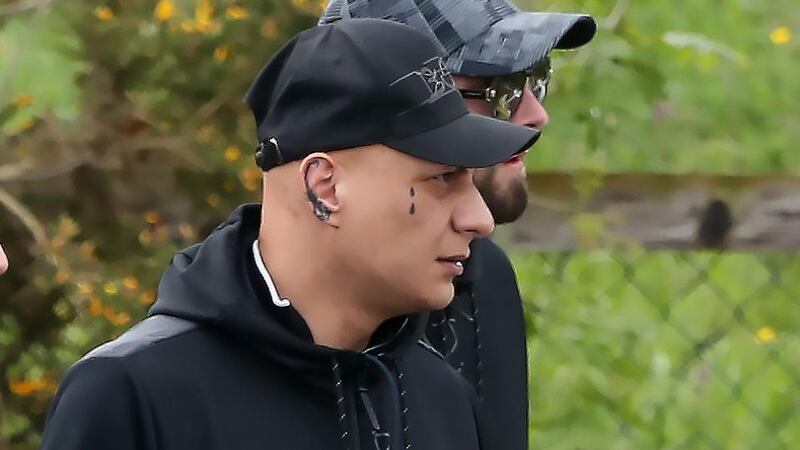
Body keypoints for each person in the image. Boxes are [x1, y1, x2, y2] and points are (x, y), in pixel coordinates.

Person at [40, 19, 539, 450]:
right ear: (324, 187)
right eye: (442, 179)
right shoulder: (131, 394)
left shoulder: (441, 399)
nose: (479, 219)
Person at [320, 1, 597, 449]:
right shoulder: (199, 365)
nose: (534, 115)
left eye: (535, 81)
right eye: (502, 90)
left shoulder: (485, 281)